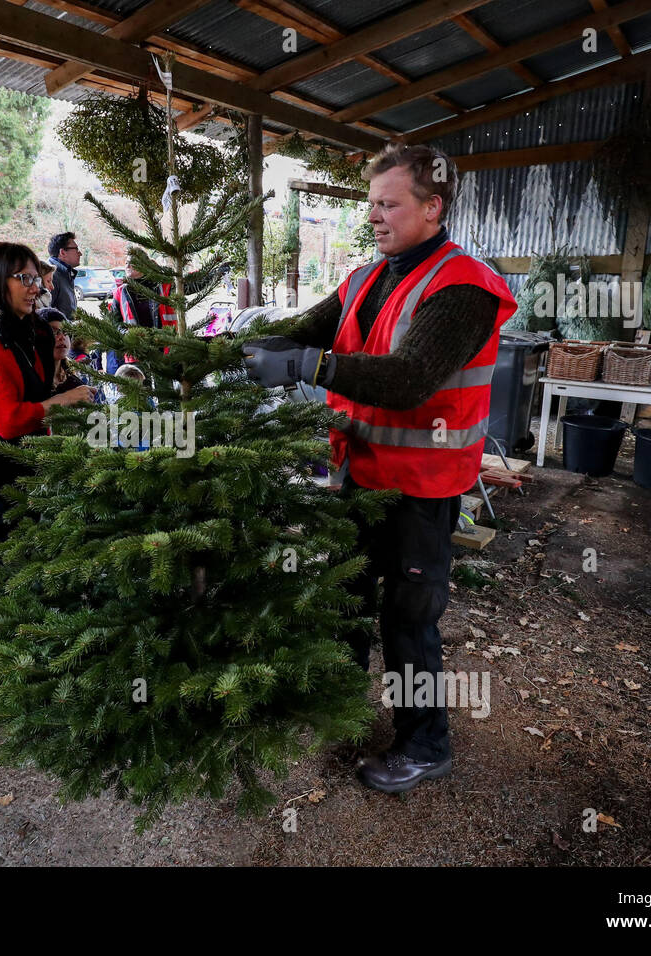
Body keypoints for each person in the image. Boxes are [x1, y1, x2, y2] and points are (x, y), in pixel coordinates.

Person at [242, 143, 517, 794]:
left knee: (408, 618)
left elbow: (411, 378)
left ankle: (426, 745)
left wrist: (314, 368)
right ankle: (340, 710)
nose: (375, 217)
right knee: (344, 596)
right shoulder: (367, 277)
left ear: (432, 206)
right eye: (371, 205)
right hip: (359, 475)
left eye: (389, 204)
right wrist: (241, 347)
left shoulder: (464, 288)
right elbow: (306, 329)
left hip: (421, 489)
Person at [0, 242, 94, 542]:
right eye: (24, 279)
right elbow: (8, 421)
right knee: (15, 565)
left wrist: (56, 359)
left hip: (20, 466)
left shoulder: (17, 325)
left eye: (36, 279)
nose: (35, 288)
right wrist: (64, 400)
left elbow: (32, 386)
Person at [47, 232, 80, 318]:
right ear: (62, 252)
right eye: (76, 249)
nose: (80, 254)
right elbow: (45, 316)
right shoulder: (51, 276)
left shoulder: (65, 273)